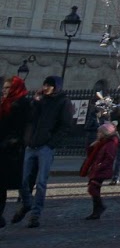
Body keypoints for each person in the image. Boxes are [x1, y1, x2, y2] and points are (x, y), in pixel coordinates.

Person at [15, 75, 74, 227]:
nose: (46, 87)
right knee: (22, 180)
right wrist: (34, 103)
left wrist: (51, 143)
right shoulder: (39, 101)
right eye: (45, 84)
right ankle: (27, 204)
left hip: (45, 147)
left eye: (50, 85)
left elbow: (65, 125)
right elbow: (28, 119)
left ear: (56, 87)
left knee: (41, 182)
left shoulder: (63, 102)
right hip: (30, 145)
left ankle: (35, 215)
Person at [0, 75, 31, 224]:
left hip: (10, 152)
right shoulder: (5, 103)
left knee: (2, 186)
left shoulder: (21, 104)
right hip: (4, 149)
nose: (4, 90)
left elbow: (19, 130)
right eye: (4, 87)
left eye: (7, 88)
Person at [79, 122, 119, 220]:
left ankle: (99, 208)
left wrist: (100, 166)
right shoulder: (102, 142)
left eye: (100, 132)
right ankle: (96, 210)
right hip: (97, 168)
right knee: (94, 189)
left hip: (101, 169)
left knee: (93, 188)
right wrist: (93, 145)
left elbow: (109, 157)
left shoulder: (110, 143)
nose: (98, 134)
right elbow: (91, 154)